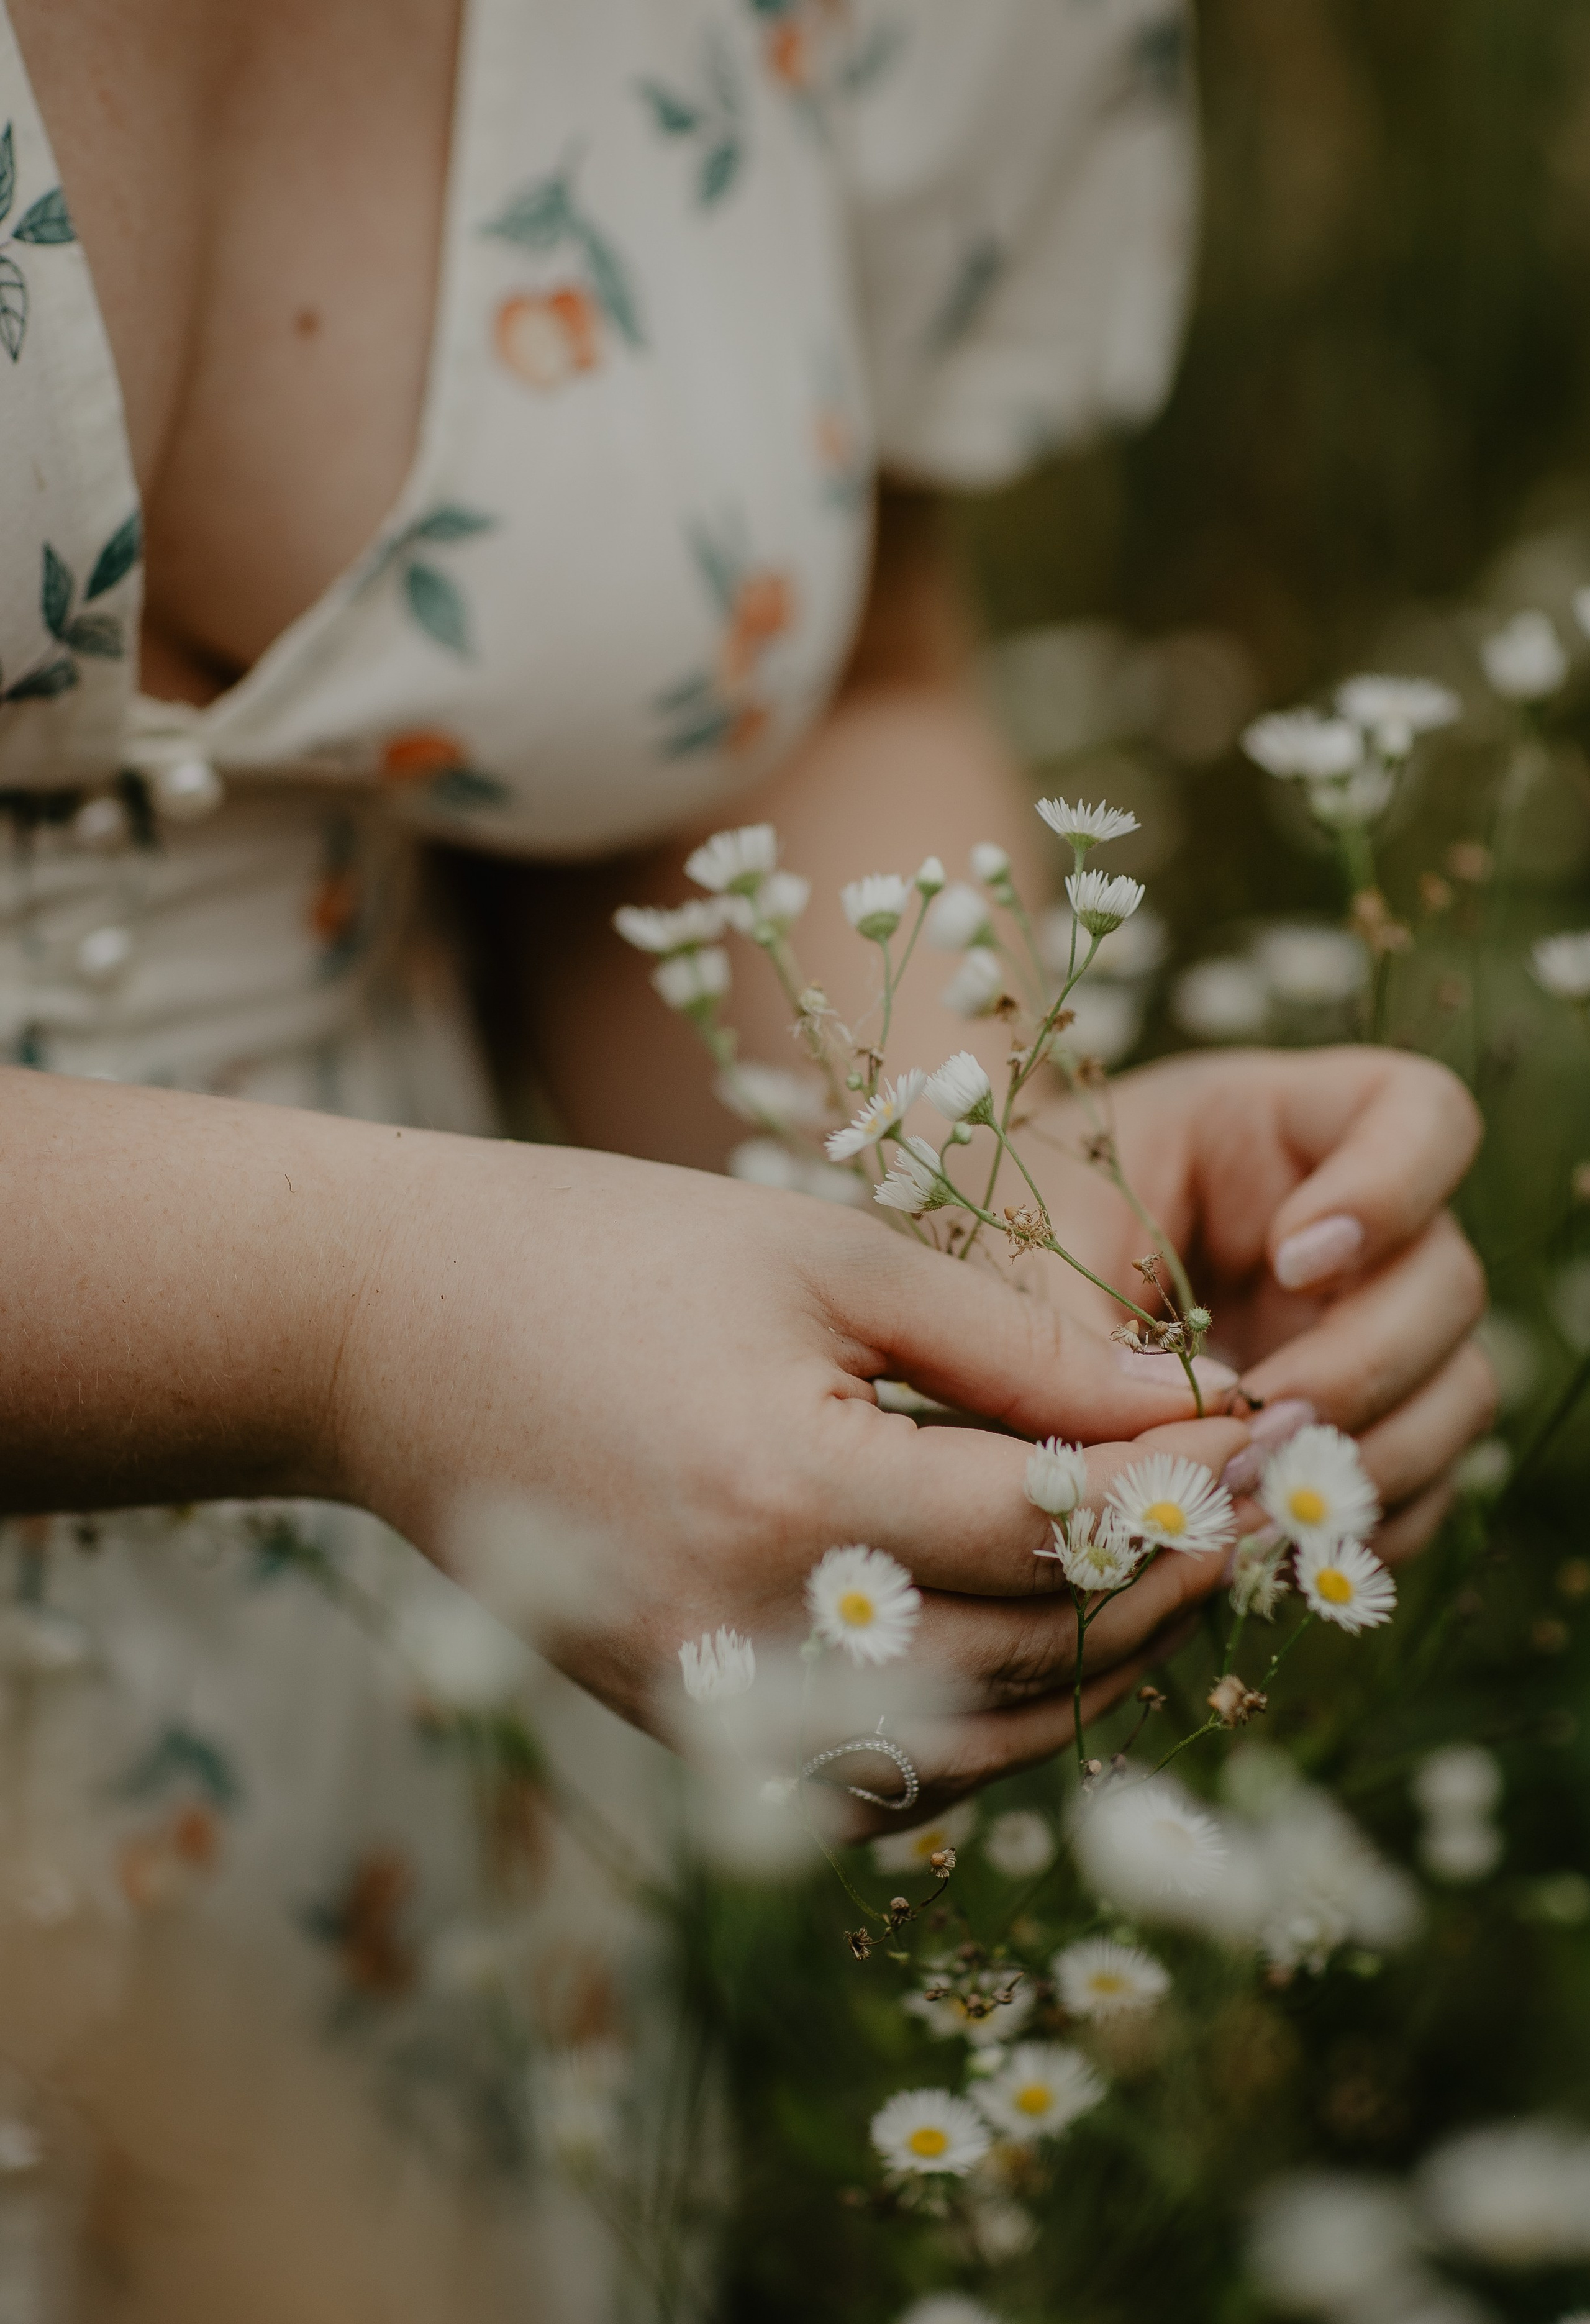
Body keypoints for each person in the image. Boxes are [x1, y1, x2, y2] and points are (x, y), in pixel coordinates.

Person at [0, 0, 1491, 2312]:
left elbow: (806, 683)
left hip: (418, 1768)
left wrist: (993, 1197)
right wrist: (361, 1317)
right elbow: (406, 1308)